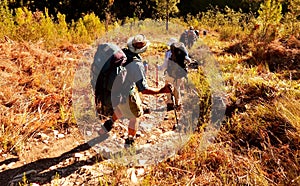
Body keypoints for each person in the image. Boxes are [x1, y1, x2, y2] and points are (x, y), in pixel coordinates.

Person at [97, 34, 173, 147]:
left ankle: (106, 127)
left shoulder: (122, 53)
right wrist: (162, 90)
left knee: (121, 109)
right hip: (128, 93)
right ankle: (130, 142)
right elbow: (144, 89)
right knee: (135, 117)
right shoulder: (137, 64)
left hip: (116, 92)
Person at [157, 38, 192, 111]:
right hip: (179, 75)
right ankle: (177, 104)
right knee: (177, 88)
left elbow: (165, 65)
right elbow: (189, 61)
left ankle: (170, 103)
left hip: (169, 74)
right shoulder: (182, 52)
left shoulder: (168, 53)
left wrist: (159, 68)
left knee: (167, 86)